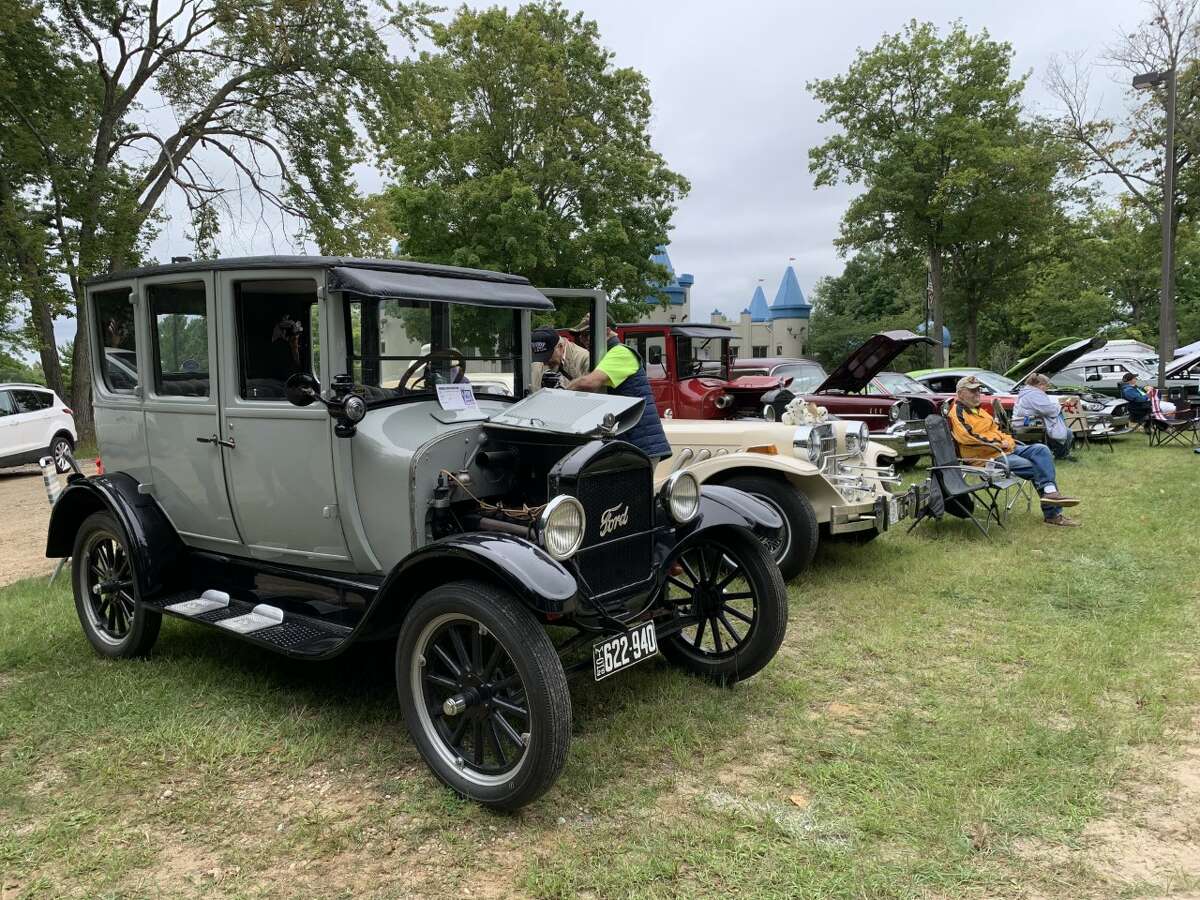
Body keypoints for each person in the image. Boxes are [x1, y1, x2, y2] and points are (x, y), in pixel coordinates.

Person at [948, 375, 1081, 527]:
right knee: (1035, 466)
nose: (977, 393)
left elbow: (999, 431)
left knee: (1041, 450)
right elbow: (968, 437)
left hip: (1004, 449)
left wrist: (1008, 441)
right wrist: (1001, 443)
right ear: (960, 393)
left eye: (978, 390)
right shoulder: (957, 412)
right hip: (986, 458)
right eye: (972, 391)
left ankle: (1050, 492)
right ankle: (1053, 514)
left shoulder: (980, 411)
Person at [532, 322, 672, 464]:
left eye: (588, 334)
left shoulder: (621, 353)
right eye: (581, 336)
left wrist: (561, 393)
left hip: (640, 442)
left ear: (607, 331)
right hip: (630, 441)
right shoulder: (607, 356)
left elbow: (589, 383)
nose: (584, 340)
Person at [1013, 373, 1076, 460]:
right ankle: (1061, 455)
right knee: (1065, 431)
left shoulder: (1027, 392)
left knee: (1057, 427)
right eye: (1046, 386)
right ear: (1040, 385)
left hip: (1023, 421)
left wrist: (1056, 406)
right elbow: (1048, 410)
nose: (1046, 388)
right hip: (1027, 422)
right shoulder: (1034, 394)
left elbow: (1044, 407)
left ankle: (1057, 451)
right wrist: (1059, 406)